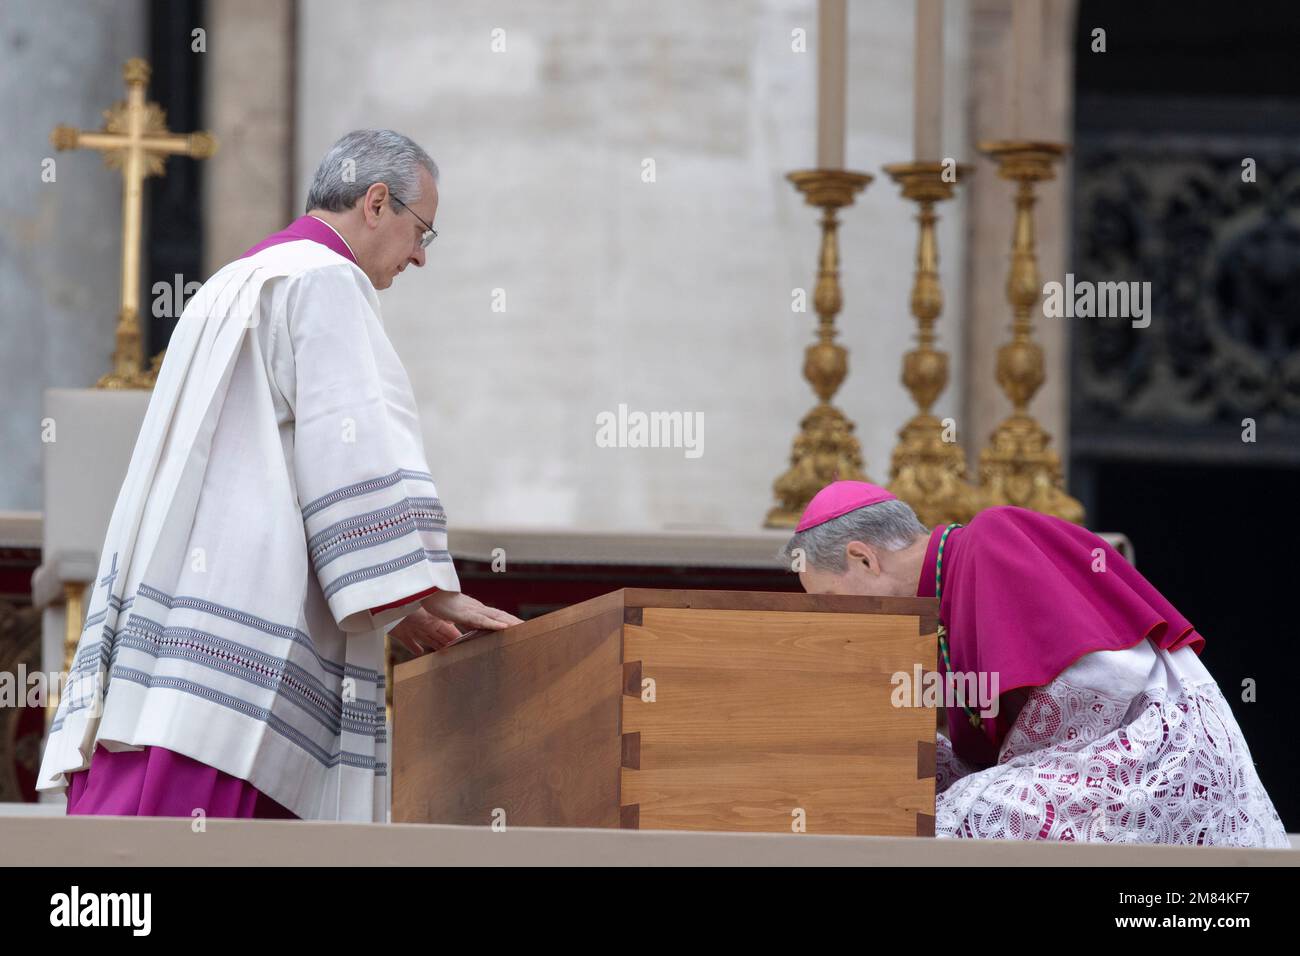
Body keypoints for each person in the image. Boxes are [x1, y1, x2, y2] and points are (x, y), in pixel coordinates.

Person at [37, 129, 521, 822]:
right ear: (376, 202)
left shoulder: (229, 283)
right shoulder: (327, 282)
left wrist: (398, 604)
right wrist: (425, 590)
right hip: (239, 648)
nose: (418, 256)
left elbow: (278, 456)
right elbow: (347, 449)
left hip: (169, 649)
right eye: (423, 233)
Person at [783, 480, 1288, 846]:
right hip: (1109, 751)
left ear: (863, 559)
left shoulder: (991, 538)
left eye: (830, 599)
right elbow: (998, 745)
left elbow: (1103, 687)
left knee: (960, 817)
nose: (837, 621)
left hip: (1159, 747)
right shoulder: (938, 597)